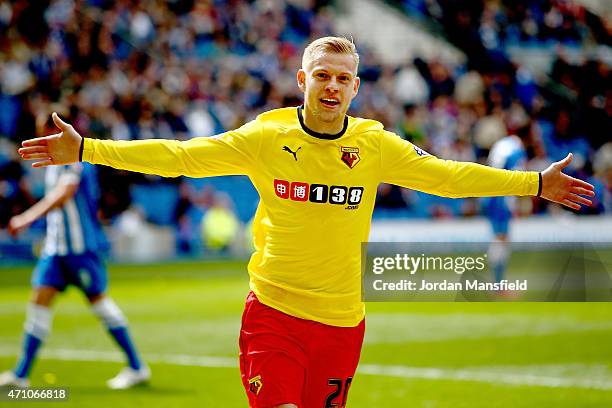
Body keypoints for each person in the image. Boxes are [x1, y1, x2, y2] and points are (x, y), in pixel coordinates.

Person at [17, 37, 594, 407]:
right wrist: (89, 148)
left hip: (344, 325)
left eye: (343, 78)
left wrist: (535, 183)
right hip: (274, 317)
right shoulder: (266, 137)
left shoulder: (375, 144)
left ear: (356, 88)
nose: (332, 86)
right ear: (302, 79)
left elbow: (448, 176)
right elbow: (181, 157)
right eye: (322, 75)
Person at [1, 115, 150, 390]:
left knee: (100, 304)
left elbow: (63, 194)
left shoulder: (76, 157)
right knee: (38, 303)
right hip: (55, 249)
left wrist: (25, 218)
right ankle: (21, 374)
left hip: (80, 248)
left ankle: (137, 366)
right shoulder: (50, 162)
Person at [484, 131, 529, 286]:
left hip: (491, 194)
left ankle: (498, 283)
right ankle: (498, 284)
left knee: (499, 239)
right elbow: (518, 176)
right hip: (501, 197)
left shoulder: (502, 145)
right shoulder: (516, 150)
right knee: (501, 240)